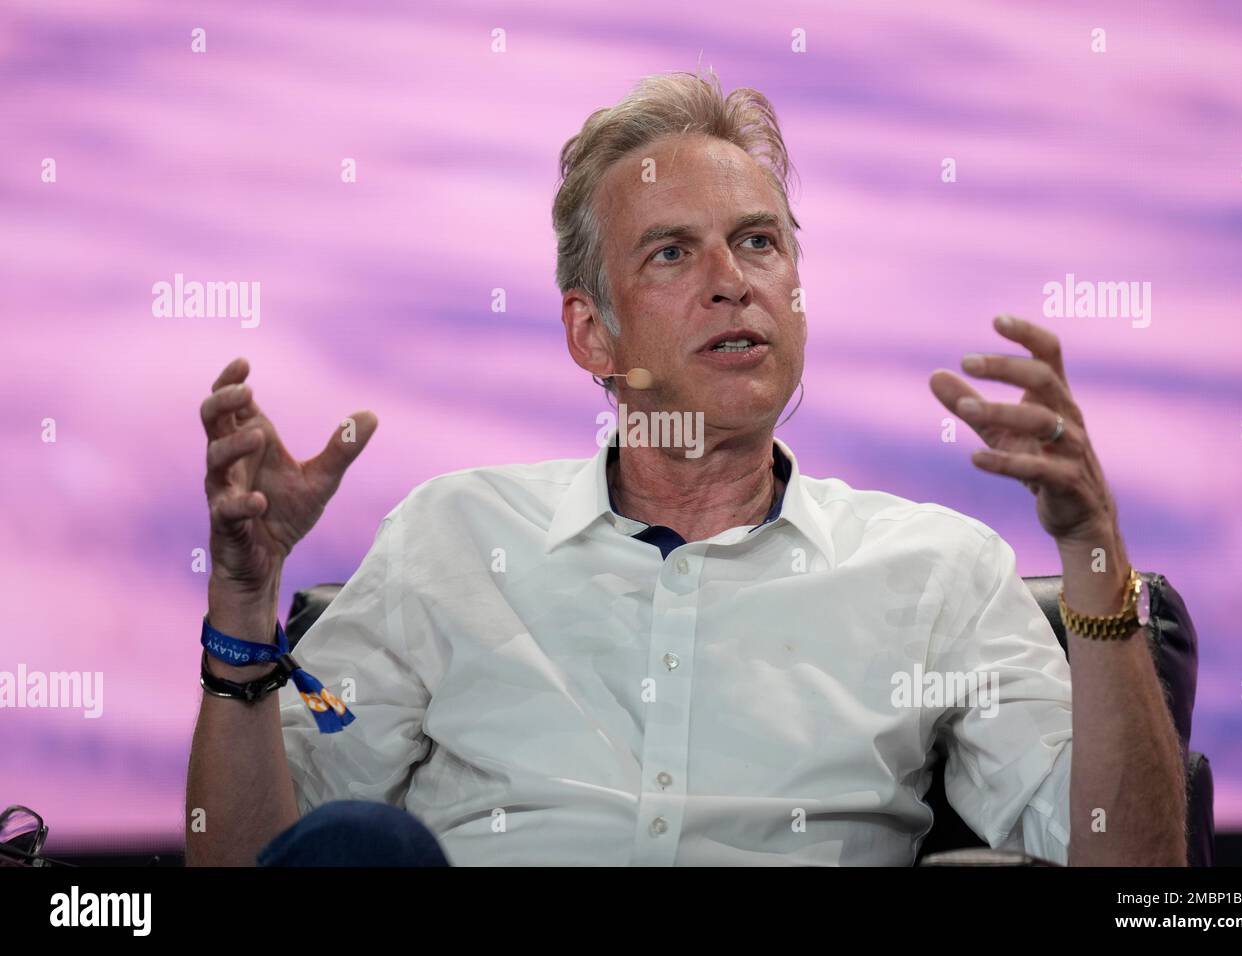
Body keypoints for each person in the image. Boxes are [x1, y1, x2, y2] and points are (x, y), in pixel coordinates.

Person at [185, 69, 1186, 867]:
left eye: (759, 243)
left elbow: (1132, 867)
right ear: (591, 332)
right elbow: (253, 861)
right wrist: (243, 596)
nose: (731, 283)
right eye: (671, 253)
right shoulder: (453, 539)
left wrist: (1094, 548)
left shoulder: (936, 571)